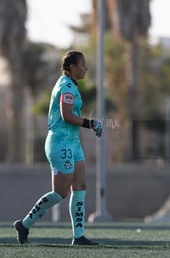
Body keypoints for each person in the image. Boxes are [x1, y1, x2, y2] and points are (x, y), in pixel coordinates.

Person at [13, 50, 103, 245]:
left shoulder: (71, 85)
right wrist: (91, 124)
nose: (85, 68)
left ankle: (78, 236)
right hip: (60, 142)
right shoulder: (66, 86)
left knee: (80, 186)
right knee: (60, 193)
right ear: (71, 67)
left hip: (73, 142)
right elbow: (67, 116)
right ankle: (24, 224)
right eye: (82, 65)